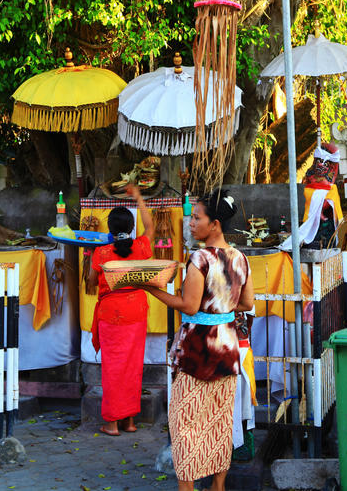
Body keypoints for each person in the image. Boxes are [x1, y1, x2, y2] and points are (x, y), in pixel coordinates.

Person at [135, 189, 254, 491]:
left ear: (214, 224)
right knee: (219, 422)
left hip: (197, 351)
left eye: (196, 218)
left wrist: (151, 288)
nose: (190, 222)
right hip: (227, 350)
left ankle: (187, 487)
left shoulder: (200, 258)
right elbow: (247, 303)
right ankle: (218, 485)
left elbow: (188, 306)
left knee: (185, 424)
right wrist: (221, 305)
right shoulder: (240, 258)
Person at [87, 184, 154, 436]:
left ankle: (112, 423)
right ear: (130, 228)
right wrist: (138, 198)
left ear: (110, 229)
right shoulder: (140, 247)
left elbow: (92, 283)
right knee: (132, 367)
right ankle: (130, 421)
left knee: (113, 368)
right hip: (136, 311)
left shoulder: (101, 252)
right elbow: (151, 228)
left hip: (112, 314)